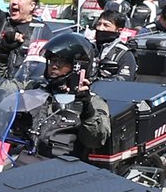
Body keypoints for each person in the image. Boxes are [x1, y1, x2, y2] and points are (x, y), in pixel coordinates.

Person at [26, 31, 111, 161]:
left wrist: (86, 108)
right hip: (24, 159)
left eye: (61, 62)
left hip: (61, 168)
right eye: (52, 61)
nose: (54, 66)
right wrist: (2, 53)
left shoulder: (93, 102)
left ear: (78, 66)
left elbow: (95, 140)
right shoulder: (35, 89)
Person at [91, 10, 136, 81]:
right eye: (99, 24)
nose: (100, 28)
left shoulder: (124, 54)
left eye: (106, 25)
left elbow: (125, 81)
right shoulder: (89, 48)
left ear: (119, 30)